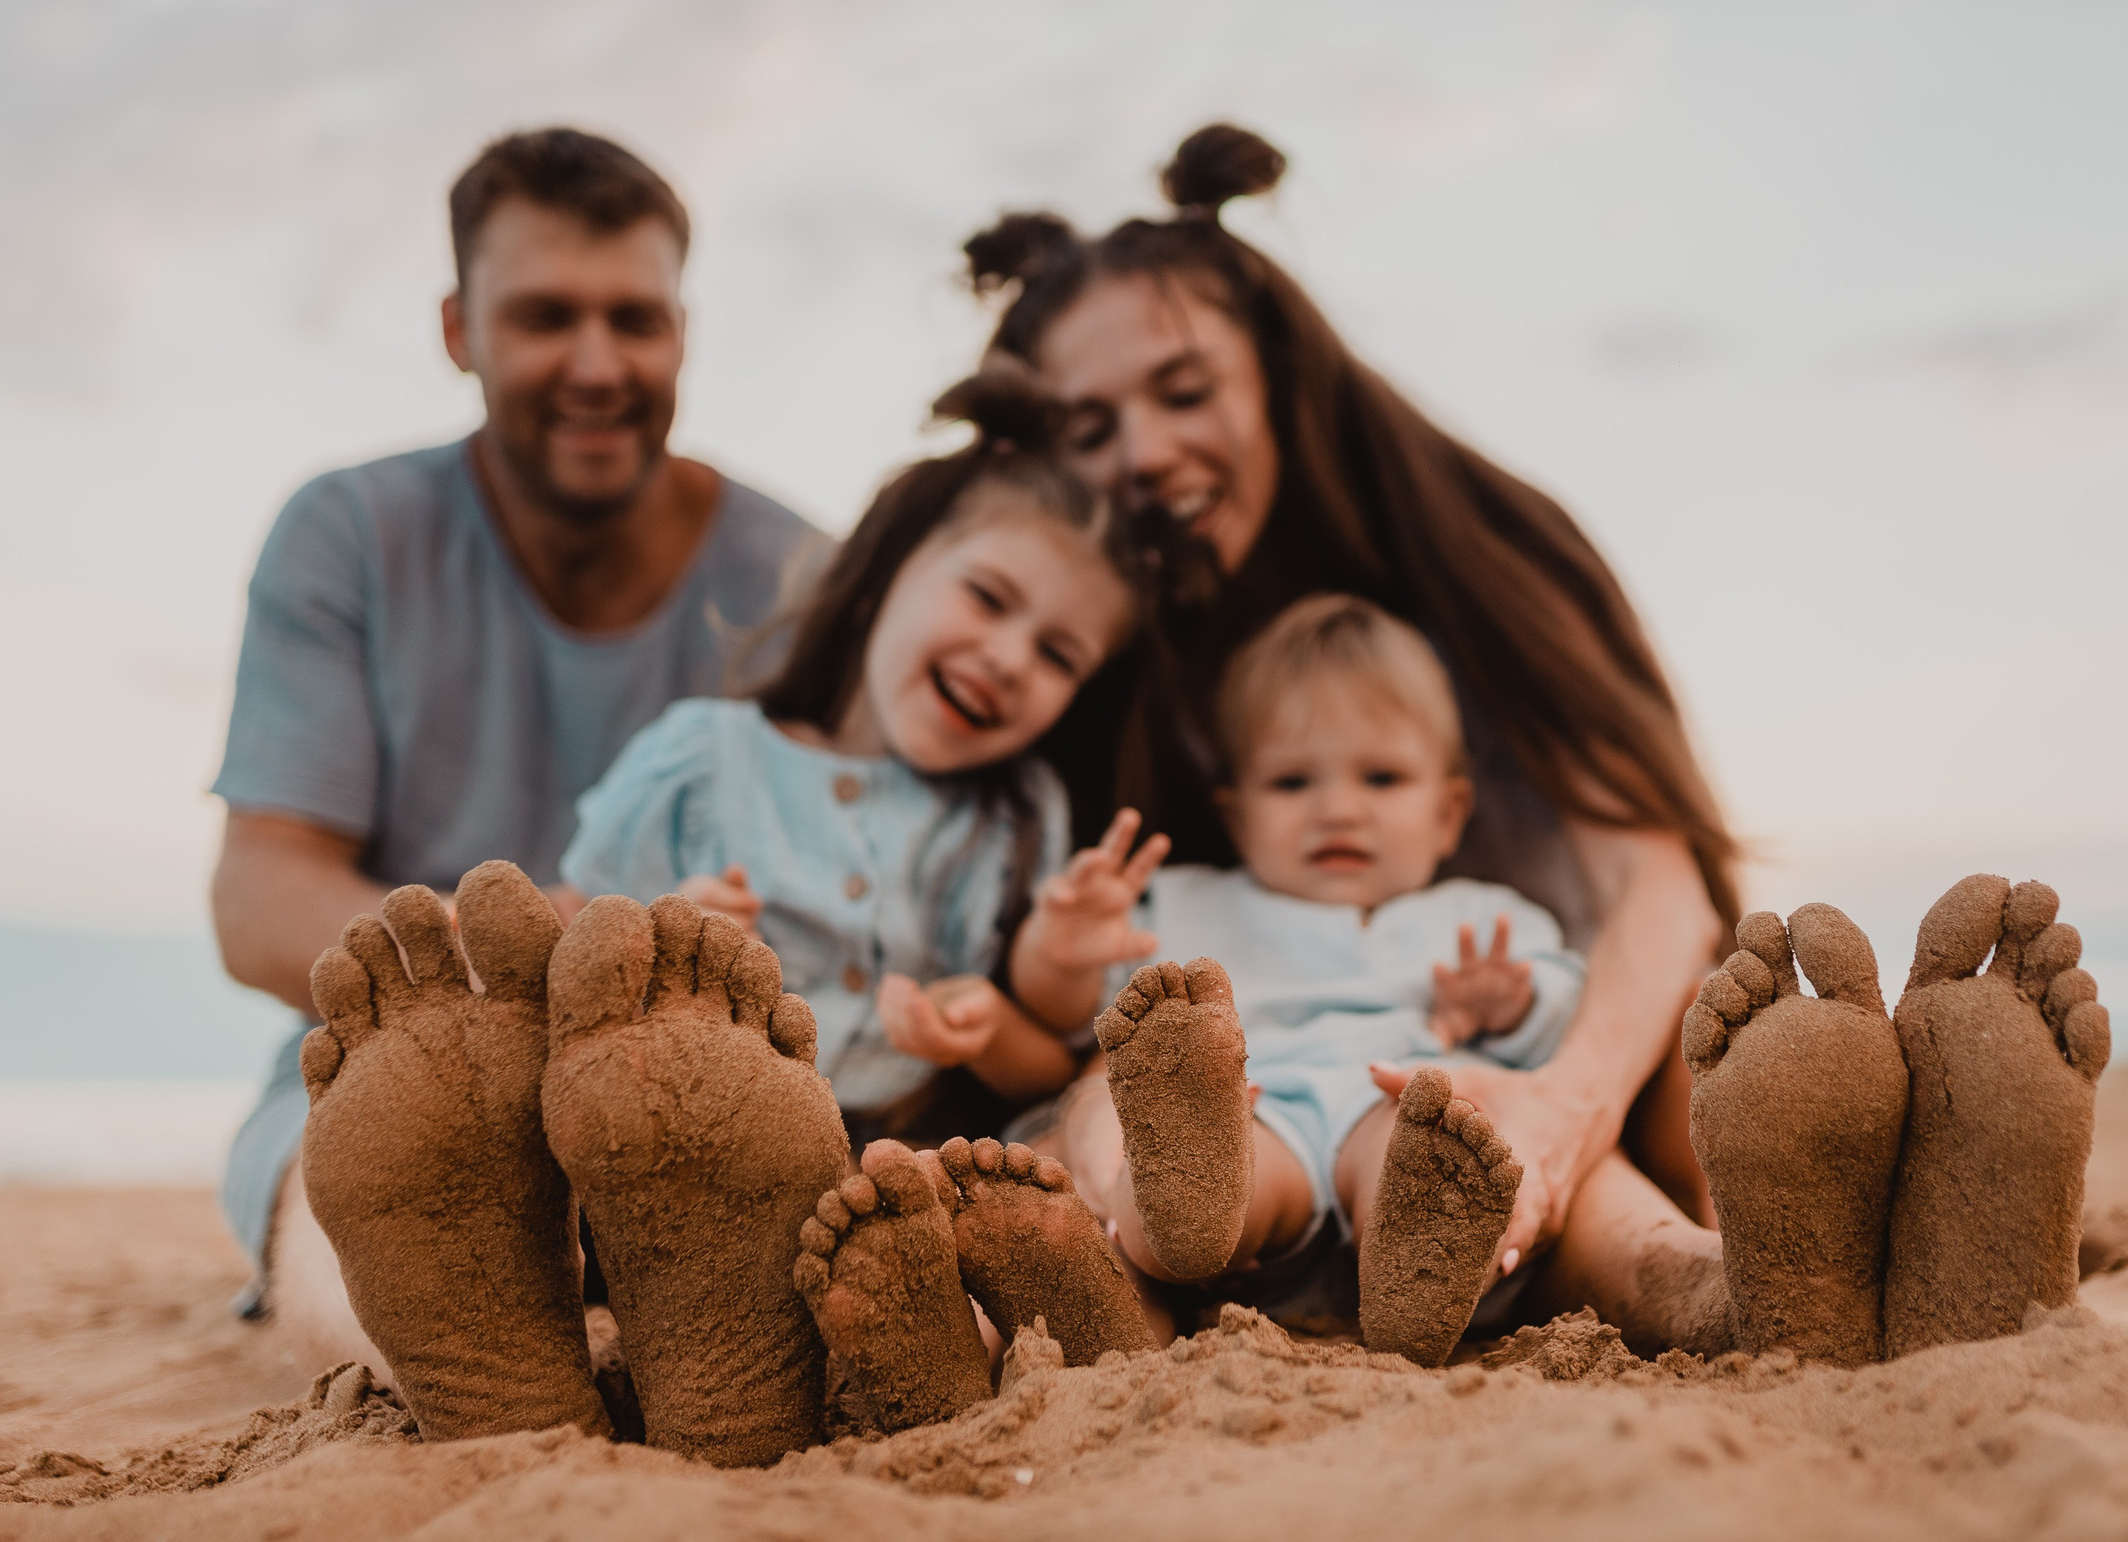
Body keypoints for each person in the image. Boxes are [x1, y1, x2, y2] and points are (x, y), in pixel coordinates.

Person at [964, 123, 1731, 1339]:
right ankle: (1067, 1290)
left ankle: (1705, 1277)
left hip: (1524, 1071)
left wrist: (1563, 1101)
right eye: (1090, 431)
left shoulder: (1481, 551)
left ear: (1277, 372)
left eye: (1185, 392)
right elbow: (1068, 1005)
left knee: (1570, 1160)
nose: (1145, 455)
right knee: (1097, 1121)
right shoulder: (1079, 639)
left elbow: (1658, 885)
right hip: (1240, 1116)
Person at [208, 128, 822, 1366]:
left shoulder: (803, 576)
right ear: (459, 330)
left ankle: (625, 1348)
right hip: (403, 1057)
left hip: (709, 1061)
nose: (596, 364)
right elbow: (260, 893)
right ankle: (459, 1368)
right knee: (353, 1208)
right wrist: (509, 965)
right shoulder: (346, 535)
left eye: (634, 320)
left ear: (682, 335)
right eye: (545, 317)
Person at [555, 361, 1144, 1146]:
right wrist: (670, 940)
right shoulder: (701, 758)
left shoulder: (1018, 815)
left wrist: (1001, 1013)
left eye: (1058, 656)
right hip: (694, 1142)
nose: (1009, 659)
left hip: (907, 1162)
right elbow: (570, 944)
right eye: (987, 597)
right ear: (885, 570)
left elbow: (1046, 1070)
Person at [1015, 593, 1581, 1364]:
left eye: (1381, 777)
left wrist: (1514, 1002)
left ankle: (1418, 1257)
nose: (1337, 809)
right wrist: (1060, 951)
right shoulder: (1188, 902)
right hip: (1248, 1108)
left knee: (1413, 1144)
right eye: (1291, 783)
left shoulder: (1479, 916)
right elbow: (1075, 1011)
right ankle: (1182, 1210)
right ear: (1238, 817)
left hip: (1399, 1102)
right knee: (1230, 1168)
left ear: (1449, 814)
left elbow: (1569, 1012)